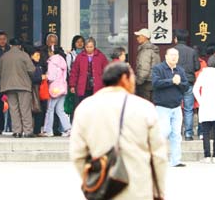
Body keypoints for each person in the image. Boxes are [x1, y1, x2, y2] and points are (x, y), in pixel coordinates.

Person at [69, 61, 168, 200]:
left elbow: (77, 155)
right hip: (139, 189)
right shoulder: (144, 107)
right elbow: (159, 156)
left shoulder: (85, 107)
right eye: (132, 76)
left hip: (103, 190)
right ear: (124, 79)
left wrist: (94, 180)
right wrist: (159, 191)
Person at [151, 47, 189, 168]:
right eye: (172, 55)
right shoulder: (158, 68)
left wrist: (179, 83)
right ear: (166, 56)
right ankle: (158, 159)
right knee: (163, 132)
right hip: (162, 107)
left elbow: (186, 86)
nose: (174, 57)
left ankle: (175, 160)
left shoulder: (180, 70)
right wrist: (171, 81)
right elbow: (155, 83)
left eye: (176, 55)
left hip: (176, 107)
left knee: (176, 134)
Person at [0, 38, 36, 138]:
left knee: (13, 109)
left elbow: (0, 72)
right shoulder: (24, 55)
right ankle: (27, 131)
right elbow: (32, 70)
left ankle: (17, 131)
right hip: (23, 85)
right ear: (20, 46)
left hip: (8, 86)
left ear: (10, 45)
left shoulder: (4, 56)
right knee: (25, 109)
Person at [173, 30, 200, 141]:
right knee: (188, 109)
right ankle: (188, 134)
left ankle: (176, 132)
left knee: (175, 108)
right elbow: (197, 67)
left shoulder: (172, 51)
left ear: (176, 38)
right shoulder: (192, 51)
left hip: (175, 82)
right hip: (188, 82)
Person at [41, 46, 71, 138]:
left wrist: (46, 76)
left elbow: (51, 77)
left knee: (50, 109)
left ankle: (48, 130)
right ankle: (68, 129)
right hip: (62, 87)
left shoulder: (52, 61)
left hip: (54, 88)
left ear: (51, 52)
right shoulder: (62, 60)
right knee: (60, 110)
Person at [69, 37, 108, 105]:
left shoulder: (100, 56)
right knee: (84, 104)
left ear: (94, 47)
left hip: (97, 85)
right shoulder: (80, 57)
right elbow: (74, 71)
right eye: (87, 47)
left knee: (96, 105)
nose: (89, 49)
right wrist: (72, 85)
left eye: (91, 47)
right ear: (85, 46)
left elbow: (107, 70)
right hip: (83, 85)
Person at [134, 28, 160, 102]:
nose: (137, 38)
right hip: (153, 82)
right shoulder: (153, 49)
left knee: (145, 107)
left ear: (145, 37)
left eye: (139, 36)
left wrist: (138, 82)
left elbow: (144, 69)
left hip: (145, 84)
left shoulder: (146, 51)